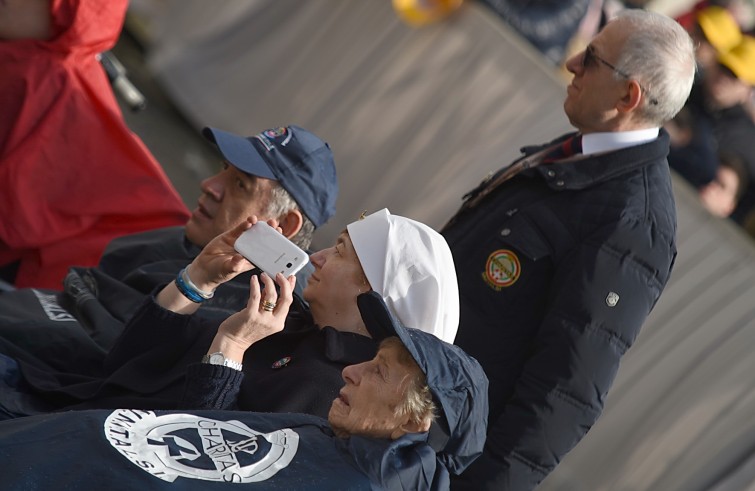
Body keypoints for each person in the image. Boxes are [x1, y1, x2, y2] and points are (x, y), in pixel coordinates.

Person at [441, 9, 696, 490]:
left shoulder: (632, 223)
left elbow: (565, 392)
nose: (573, 62)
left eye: (594, 58)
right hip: (400, 402)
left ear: (629, 95)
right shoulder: (583, 151)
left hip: (436, 446)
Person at [0, 208, 460, 422]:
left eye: (338, 251)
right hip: (68, 410)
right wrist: (198, 279)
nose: (315, 258)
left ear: (372, 292)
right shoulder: (292, 321)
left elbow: (194, 457)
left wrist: (231, 349)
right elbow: (129, 364)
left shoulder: (336, 390)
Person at [0, 292, 486, 491]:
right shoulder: (334, 437)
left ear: (411, 423)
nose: (350, 373)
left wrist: (230, 347)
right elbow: (192, 437)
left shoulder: (352, 476)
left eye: (378, 372)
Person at [0, 124, 337, 375]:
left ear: (286, 226)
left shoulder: (257, 315)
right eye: (223, 171)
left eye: (239, 185)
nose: (209, 186)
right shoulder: (195, 240)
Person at [0, 0, 191, 289]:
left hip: (75, 267)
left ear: (69, 14)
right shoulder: (39, 60)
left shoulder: (44, 76)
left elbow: (16, 212)